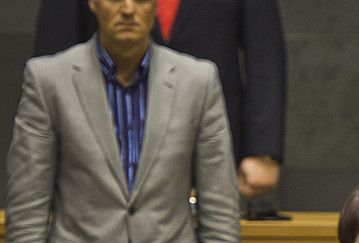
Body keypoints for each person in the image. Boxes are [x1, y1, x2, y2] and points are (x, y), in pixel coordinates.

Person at [7, 0, 240, 243]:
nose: (128, 9)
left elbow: (221, 210)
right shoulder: (49, 79)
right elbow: (27, 210)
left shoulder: (198, 81)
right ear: (93, 4)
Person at [32, 0, 288, 198]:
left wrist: (263, 152)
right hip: (104, 145)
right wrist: (49, 147)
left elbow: (264, 46)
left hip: (211, 144)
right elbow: (56, 51)